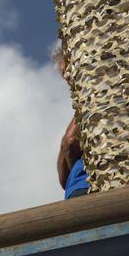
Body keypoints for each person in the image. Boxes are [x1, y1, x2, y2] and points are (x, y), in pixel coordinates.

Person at [53, 46, 90, 199]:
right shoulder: (80, 108)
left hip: (84, 184)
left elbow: (69, 142)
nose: (67, 76)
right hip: (77, 185)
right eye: (63, 74)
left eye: (68, 69)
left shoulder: (90, 103)